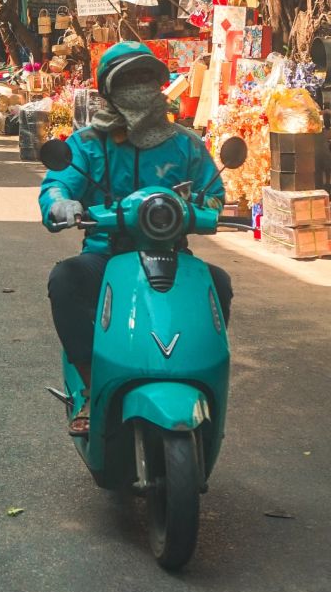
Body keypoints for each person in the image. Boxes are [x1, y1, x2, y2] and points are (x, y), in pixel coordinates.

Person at [40, 41, 233, 437]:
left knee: (220, 284)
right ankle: (93, 386)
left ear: (160, 85)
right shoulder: (87, 144)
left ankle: (201, 380)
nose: (139, 87)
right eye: (128, 80)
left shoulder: (186, 144)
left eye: (146, 78)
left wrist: (200, 206)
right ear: (109, 90)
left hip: (172, 253)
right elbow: (58, 184)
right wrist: (62, 204)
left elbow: (214, 193)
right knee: (65, 280)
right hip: (106, 256)